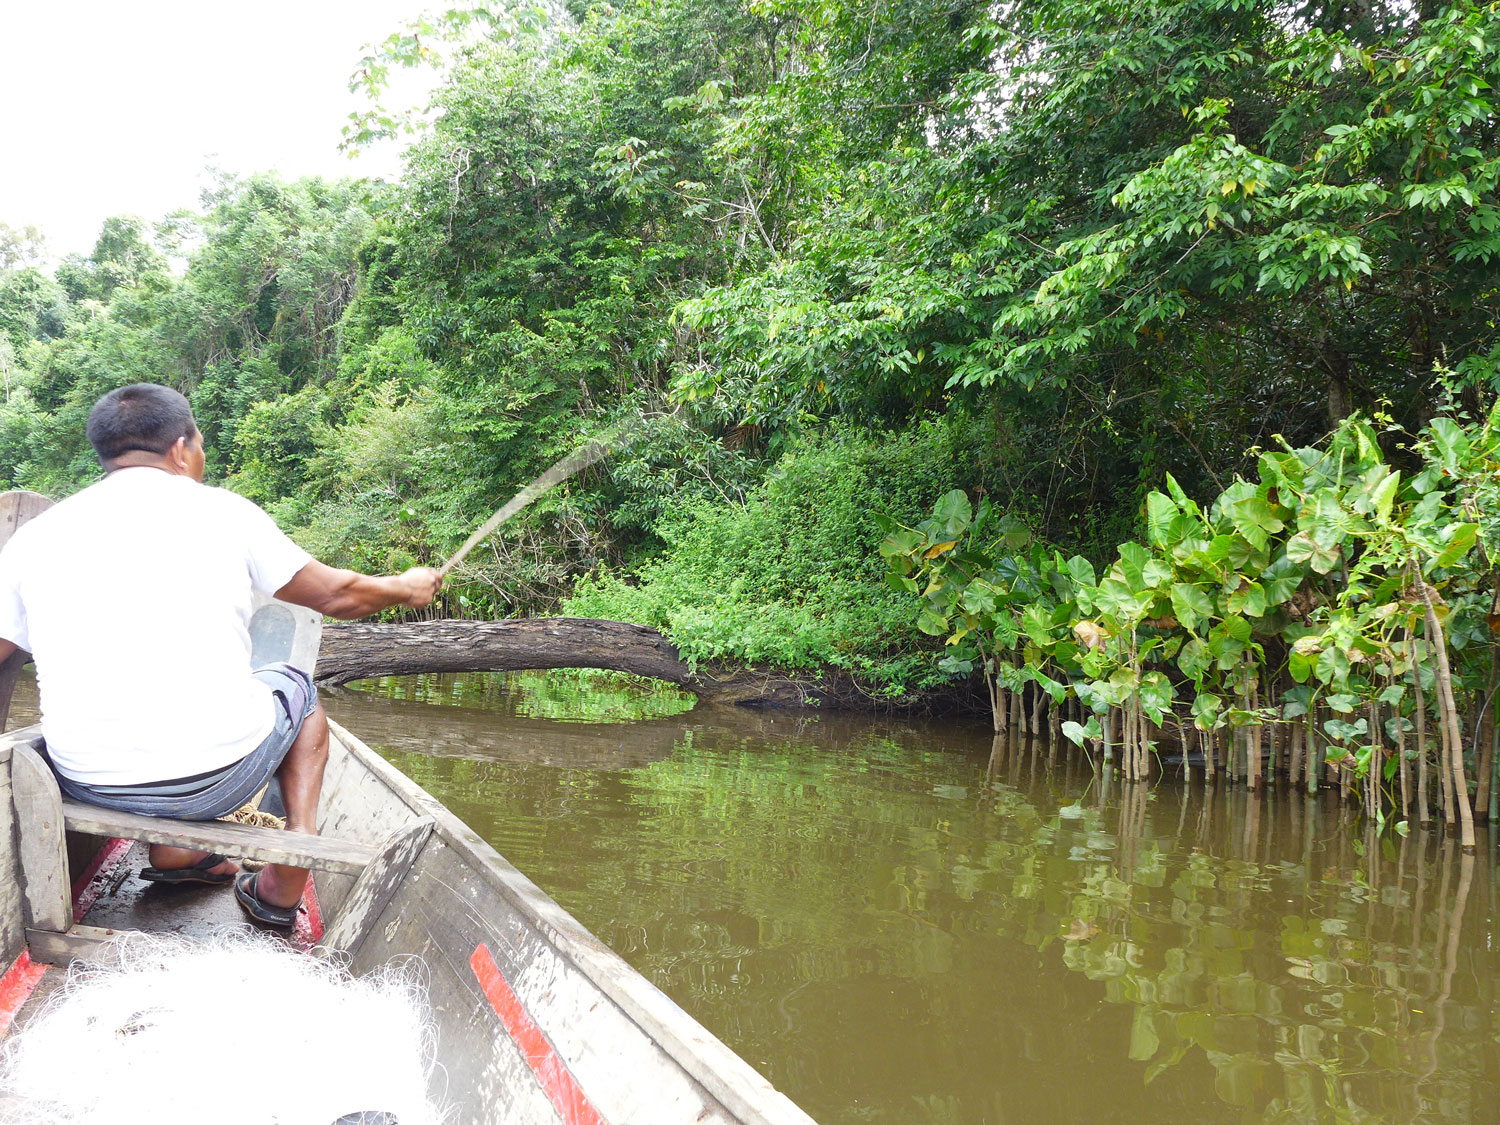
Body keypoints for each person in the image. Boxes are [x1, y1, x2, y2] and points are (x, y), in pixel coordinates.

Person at [0, 383, 443, 927]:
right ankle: (289, 870)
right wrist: (406, 586)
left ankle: (178, 854)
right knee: (295, 687)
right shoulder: (226, 513)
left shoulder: (35, 537)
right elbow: (337, 596)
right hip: (216, 782)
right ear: (181, 449)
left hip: (83, 780)